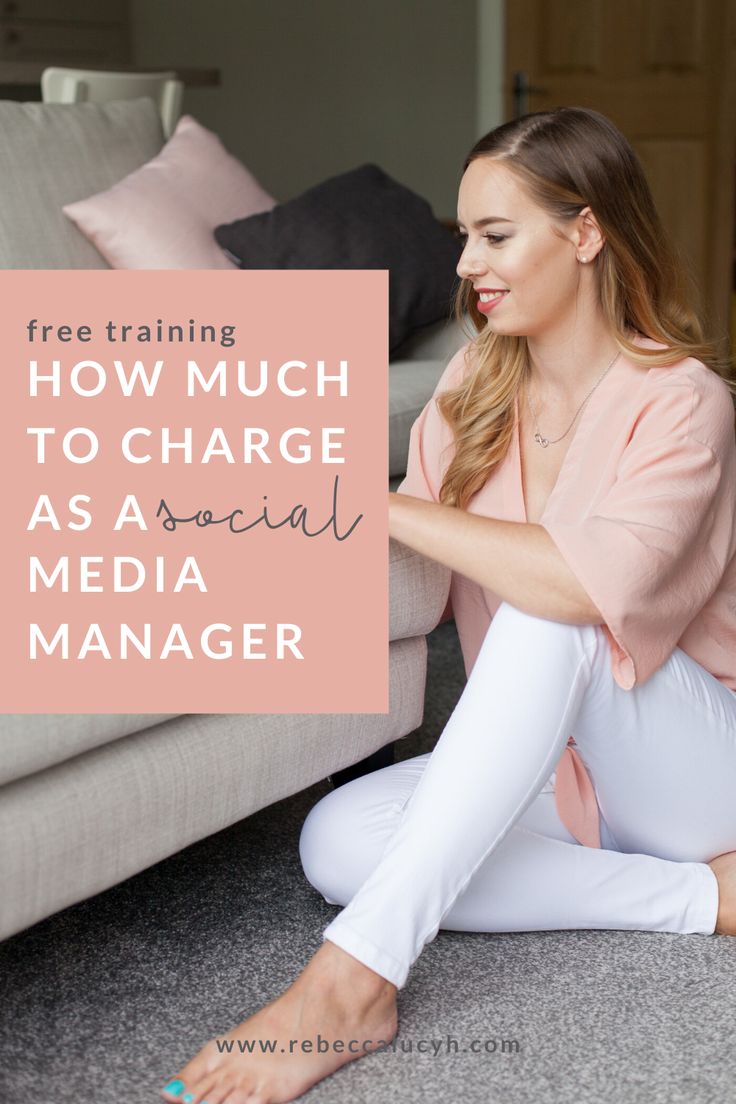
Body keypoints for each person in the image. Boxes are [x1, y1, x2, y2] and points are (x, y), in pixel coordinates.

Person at [160, 106, 736, 1104]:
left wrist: (377, 502)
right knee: (338, 842)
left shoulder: (680, 397)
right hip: (561, 780)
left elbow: (579, 589)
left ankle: (350, 984)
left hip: (691, 765)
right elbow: (414, 587)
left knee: (548, 610)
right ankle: (702, 897)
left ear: (587, 233)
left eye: (495, 235)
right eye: (465, 234)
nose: (467, 261)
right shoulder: (472, 384)